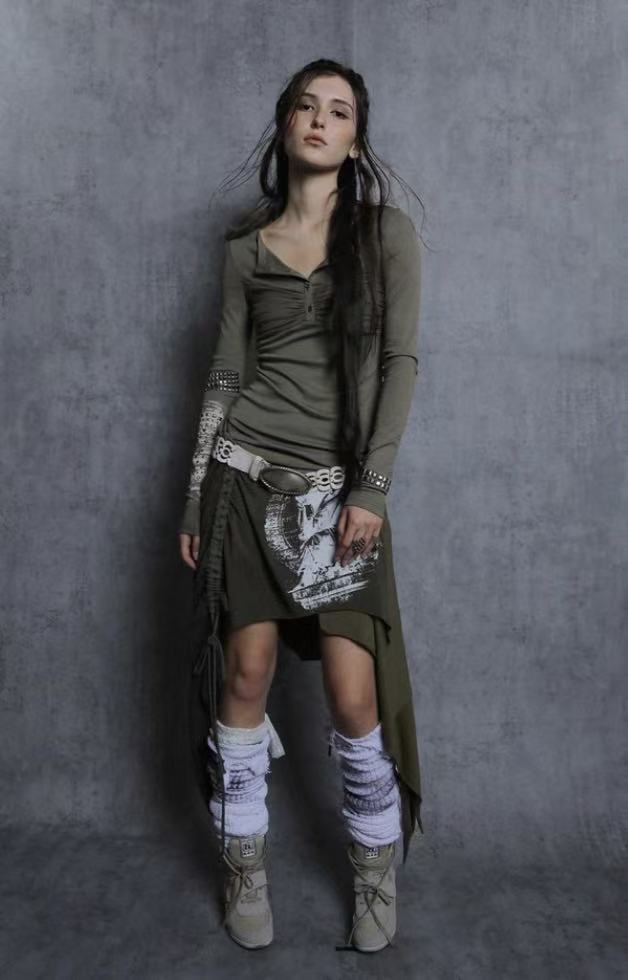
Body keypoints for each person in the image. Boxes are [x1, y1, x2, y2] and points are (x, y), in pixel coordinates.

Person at [178, 58, 425, 954]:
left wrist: (371, 488)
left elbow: (400, 363)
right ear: (286, 124)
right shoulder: (245, 248)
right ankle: (245, 864)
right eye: (307, 107)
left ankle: (373, 868)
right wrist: (196, 496)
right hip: (245, 480)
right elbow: (225, 374)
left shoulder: (384, 234)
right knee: (245, 676)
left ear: (355, 140)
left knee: (352, 696)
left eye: (340, 111)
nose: (321, 120)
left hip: (339, 498)